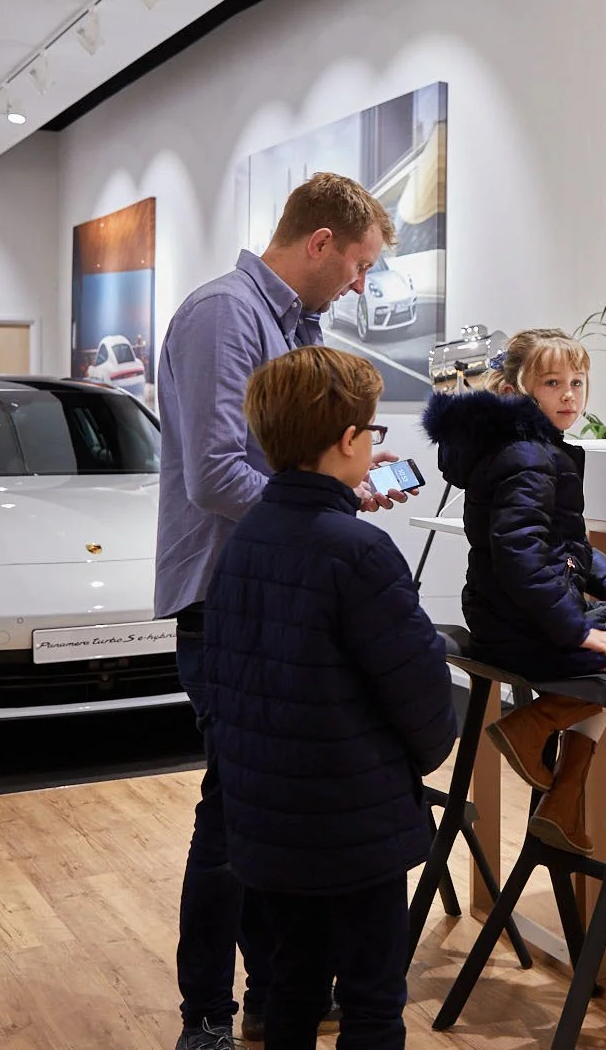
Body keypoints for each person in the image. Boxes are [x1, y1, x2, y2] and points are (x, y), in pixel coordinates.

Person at [155, 173, 410, 1050]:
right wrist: (320, 511)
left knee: (267, 816)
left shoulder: (293, 328)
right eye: (360, 266)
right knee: (233, 815)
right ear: (321, 243)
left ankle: (271, 993)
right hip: (230, 601)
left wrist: (336, 491)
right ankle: (208, 1015)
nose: (360, 285)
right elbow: (218, 473)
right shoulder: (225, 315)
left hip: (277, 597)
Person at [205, 346, 457, 1050]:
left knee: (290, 986)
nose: (376, 446)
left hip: (268, 822)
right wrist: (432, 748)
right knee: (373, 999)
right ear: (349, 441)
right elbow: (419, 691)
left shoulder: (245, 537)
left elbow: (227, 679)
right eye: (373, 432)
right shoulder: (360, 551)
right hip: (354, 828)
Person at [419, 328, 606, 855]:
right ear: (516, 388)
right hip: (520, 625)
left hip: (503, 616)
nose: (569, 396)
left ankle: (560, 795)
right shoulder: (530, 456)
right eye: (553, 382)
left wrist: (604, 575)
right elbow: (522, 559)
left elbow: (559, 541)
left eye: (577, 382)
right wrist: (577, 629)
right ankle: (533, 727)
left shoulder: (526, 449)